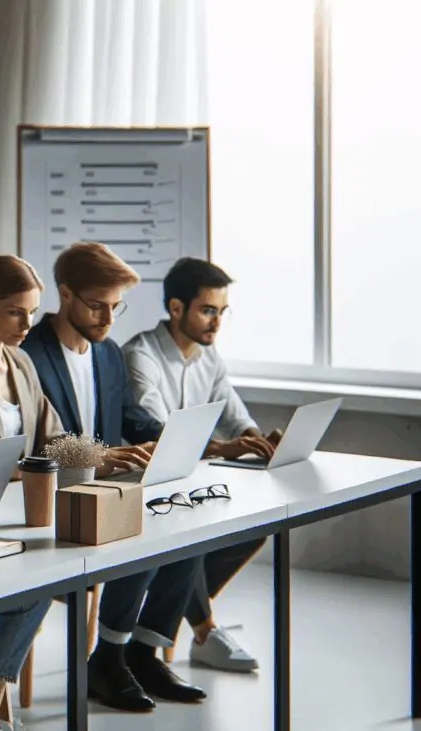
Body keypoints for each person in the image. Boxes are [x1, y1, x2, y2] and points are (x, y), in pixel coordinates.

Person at [0, 254, 139, 731]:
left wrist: (104, 456)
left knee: (43, 586)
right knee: (10, 597)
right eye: (17, 312)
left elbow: (55, 438)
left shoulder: (21, 364)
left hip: (21, 517)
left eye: (32, 313)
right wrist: (28, 468)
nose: (27, 324)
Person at [20, 242, 207, 711]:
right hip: (55, 492)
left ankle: (141, 652)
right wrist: (104, 459)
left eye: (115, 307)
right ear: (65, 295)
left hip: (105, 488)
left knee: (189, 528)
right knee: (142, 530)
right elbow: (35, 440)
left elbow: (131, 419)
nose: (108, 318)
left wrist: (182, 439)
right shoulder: (29, 354)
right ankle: (110, 657)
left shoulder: (106, 355)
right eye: (98, 305)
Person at [123, 257, 277, 673]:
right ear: (176, 308)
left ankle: (168, 620)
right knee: (189, 535)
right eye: (208, 310)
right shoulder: (141, 356)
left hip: (193, 482)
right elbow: (158, 433)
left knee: (252, 531)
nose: (216, 322)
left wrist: (258, 439)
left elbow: (235, 414)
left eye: (222, 312)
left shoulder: (210, 358)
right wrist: (226, 449)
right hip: (145, 484)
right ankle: (204, 630)